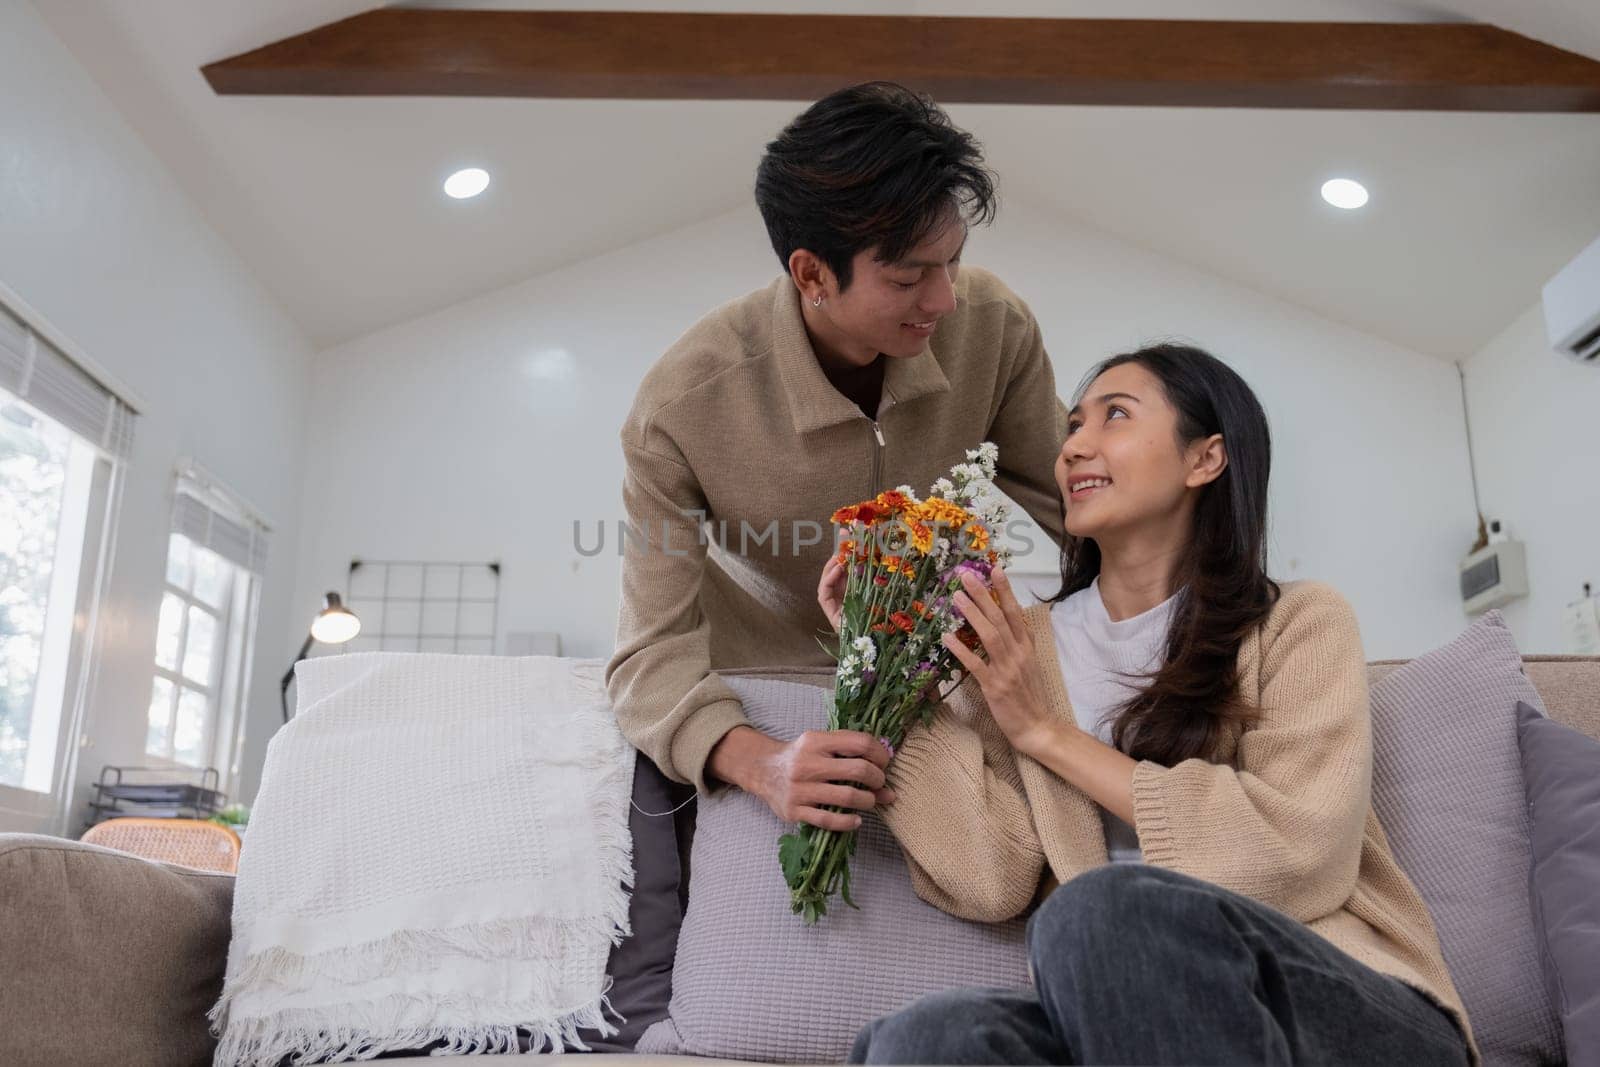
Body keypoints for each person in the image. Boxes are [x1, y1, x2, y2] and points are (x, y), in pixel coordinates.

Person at [828, 345, 1475, 1065]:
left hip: (1348, 1003)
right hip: (1131, 1016)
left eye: (1114, 417)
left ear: (1206, 459)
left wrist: (1044, 731)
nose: (1075, 446)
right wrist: (884, 668)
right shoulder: (1020, 648)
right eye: (1073, 426)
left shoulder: (1300, 623)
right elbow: (995, 874)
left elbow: (1303, 852)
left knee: (1099, 910)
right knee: (922, 1041)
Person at [605, 82, 1069, 834]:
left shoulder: (994, 326)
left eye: (954, 262)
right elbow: (647, 656)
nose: (945, 298)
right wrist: (761, 762)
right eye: (909, 277)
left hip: (940, 689)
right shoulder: (679, 409)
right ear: (813, 275)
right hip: (765, 705)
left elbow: (1084, 509)